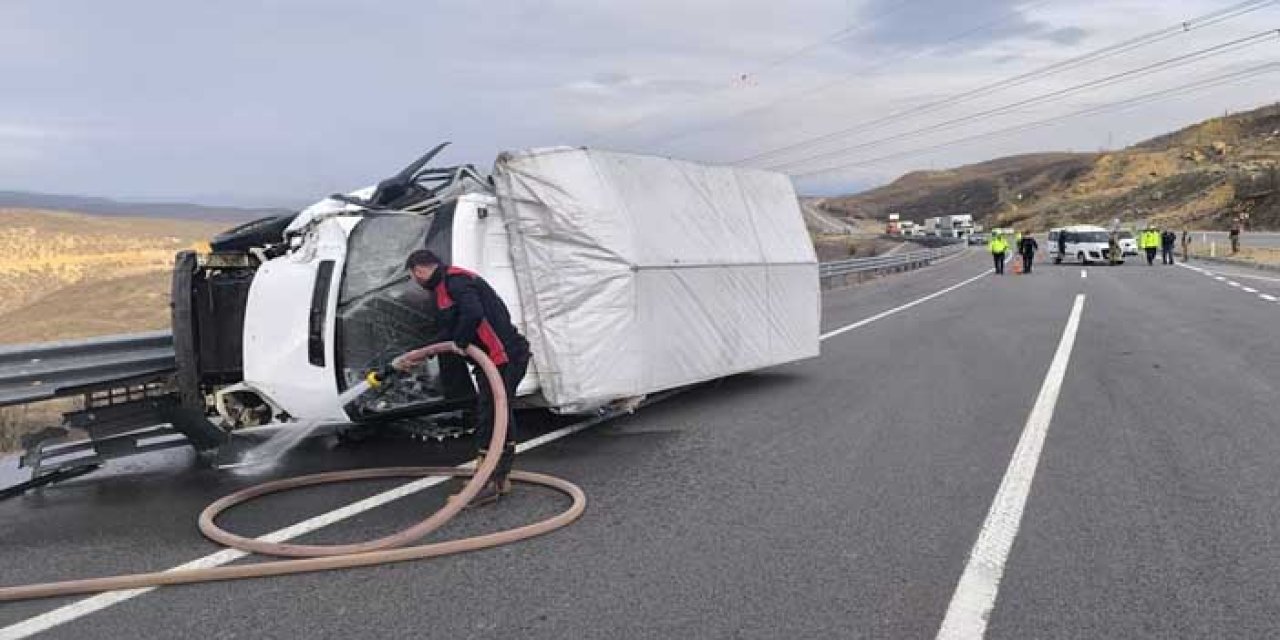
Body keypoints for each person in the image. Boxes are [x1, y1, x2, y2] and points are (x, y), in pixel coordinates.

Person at [397, 249, 531, 504]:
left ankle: (491, 481)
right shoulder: (443, 290)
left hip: (504, 358)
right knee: (491, 414)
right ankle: (494, 476)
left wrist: (461, 341)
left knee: (493, 417)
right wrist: (419, 354)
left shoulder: (456, 281)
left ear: (419, 270)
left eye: (413, 276)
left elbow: (473, 313)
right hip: (493, 361)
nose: (415, 281)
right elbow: (448, 331)